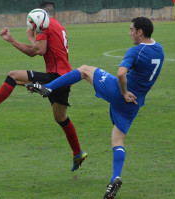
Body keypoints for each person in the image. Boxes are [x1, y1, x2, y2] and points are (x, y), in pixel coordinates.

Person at [26, 17, 164, 199]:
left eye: (131, 30)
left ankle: (48, 88)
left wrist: (123, 92)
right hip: (134, 102)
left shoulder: (136, 51)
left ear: (140, 32)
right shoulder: (159, 49)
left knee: (84, 70)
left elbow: (121, 73)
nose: (129, 33)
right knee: (117, 140)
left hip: (121, 93)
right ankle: (115, 178)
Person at [0, 1, 87, 171]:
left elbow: (36, 51)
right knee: (61, 118)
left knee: (13, 76)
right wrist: (33, 36)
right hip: (64, 79)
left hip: (55, 77)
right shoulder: (58, 26)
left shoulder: (46, 27)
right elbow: (41, 48)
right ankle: (78, 153)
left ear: (41, 16)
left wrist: (11, 39)